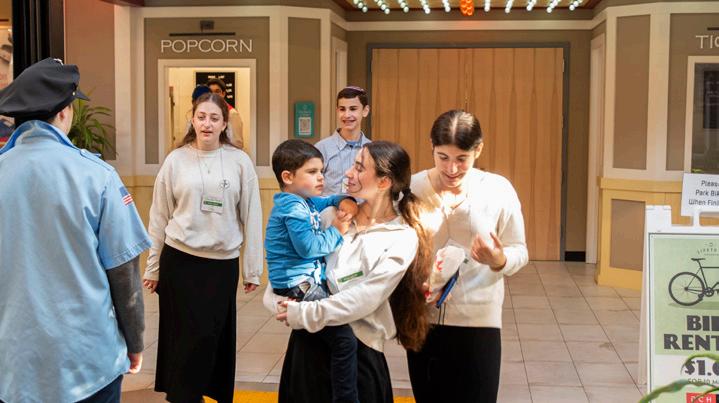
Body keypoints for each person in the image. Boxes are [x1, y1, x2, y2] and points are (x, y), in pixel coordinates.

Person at [0, 58, 152, 402]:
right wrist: (135, 342)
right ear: (64, 112)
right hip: (87, 363)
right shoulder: (96, 176)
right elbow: (124, 275)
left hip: (13, 366)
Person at [267, 141, 433, 403]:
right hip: (308, 351)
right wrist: (276, 302)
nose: (348, 173)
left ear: (383, 182)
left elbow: (366, 298)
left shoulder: (401, 237)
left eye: (359, 167)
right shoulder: (330, 215)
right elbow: (287, 268)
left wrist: (304, 313)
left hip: (359, 357)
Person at [142, 92, 263, 403]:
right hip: (179, 262)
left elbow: (252, 216)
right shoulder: (175, 160)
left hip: (221, 266)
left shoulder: (239, 161)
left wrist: (252, 270)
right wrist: (153, 267)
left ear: (224, 124)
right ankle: (183, 397)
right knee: (182, 340)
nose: (207, 124)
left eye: (214, 118)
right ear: (192, 120)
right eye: (201, 117)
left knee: (210, 338)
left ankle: (196, 393)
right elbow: (159, 216)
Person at [407, 110, 529, 402]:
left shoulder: (497, 190)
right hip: (423, 318)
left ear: (478, 150)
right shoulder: (413, 188)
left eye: (462, 159)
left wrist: (499, 260)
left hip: (478, 320)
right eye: (443, 157)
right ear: (431, 147)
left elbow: (519, 250)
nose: (451, 169)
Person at [266, 139, 361, 403]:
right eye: (312, 172)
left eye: (321, 171)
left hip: (303, 282)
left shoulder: (303, 201)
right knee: (345, 340)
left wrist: (345, 200)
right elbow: (308, 247)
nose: (321, 177)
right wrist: (338, 231)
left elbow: (328, 200)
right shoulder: (293, 208)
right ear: (288, 177)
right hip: (298, 286)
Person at [315, 86, 371, 195]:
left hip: (362, 206)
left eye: (353, 109)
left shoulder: (372, 150)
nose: (347, 115)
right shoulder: (321, 149)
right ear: (337, 111)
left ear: (365, 111)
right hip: (330, 206)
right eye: (342, 109)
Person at [207, 78, 246, 151]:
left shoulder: (232, 114)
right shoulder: (208, 112)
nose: (213, 95)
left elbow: (237, 143)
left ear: (223, 94)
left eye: (217, 91)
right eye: (210, 92)